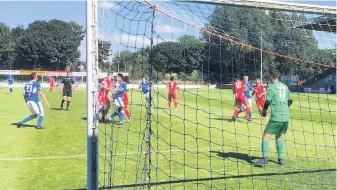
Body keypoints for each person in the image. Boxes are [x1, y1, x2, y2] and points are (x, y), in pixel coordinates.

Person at [254, 69, 293, 167]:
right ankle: (280, 159)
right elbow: (290, 101)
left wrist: (264, 111)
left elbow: (267, 102)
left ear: (272, 76)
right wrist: (284, 108)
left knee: (265, 137)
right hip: (286, 116)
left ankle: (264, 158)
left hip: (276, 117)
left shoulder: (271, 87)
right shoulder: (285, 86)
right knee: (279, 136)